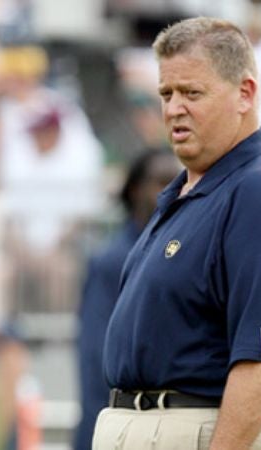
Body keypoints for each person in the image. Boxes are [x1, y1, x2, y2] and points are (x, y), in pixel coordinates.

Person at [94, 17, 261, 450]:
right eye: (166, 93)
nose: (173, 108)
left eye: (192, 93)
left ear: (245, 94)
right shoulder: (193, 190)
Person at [73, 148, 181, 450]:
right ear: (135, 189)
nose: (173, 189)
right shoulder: (112, 261)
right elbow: (97, 355)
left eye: (178, 180)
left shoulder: (182, 251)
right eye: (161, 180)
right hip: (121, 425)